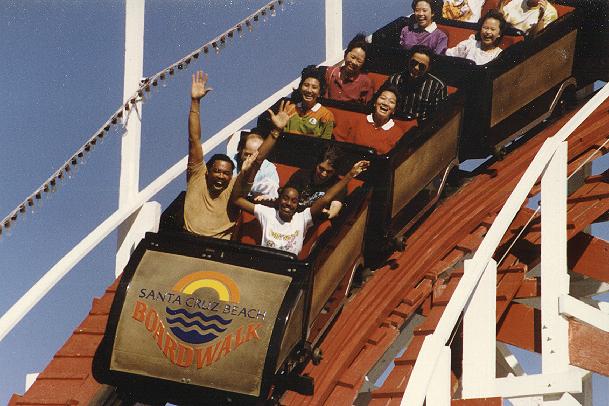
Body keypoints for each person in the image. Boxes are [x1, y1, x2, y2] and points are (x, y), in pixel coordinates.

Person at [183, 70, 291, 239]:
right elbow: (194, 139)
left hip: (217, 248)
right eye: (217, 171)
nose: (221, 176)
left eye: (226, 173)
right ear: (207, 172)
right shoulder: (196, 176)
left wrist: (276, 131)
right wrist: (195, 102)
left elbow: (257, 159)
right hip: (188, 239)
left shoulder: (235, 188)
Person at [232, 153, 370, 255]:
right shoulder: (267, 213)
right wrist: (244, 173)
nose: (288, 204)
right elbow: (237, 199)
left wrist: (350, 175)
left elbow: (327, 199)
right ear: (279, 199)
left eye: (294, 201)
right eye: (285, 199)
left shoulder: (303, 218)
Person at [333, 84, 405, 155]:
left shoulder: (398, 134)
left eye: (391, 102)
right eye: (383, 98)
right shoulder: (355, 119)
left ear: (394, 110)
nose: (386, 103)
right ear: (375, 102)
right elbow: (336, 140)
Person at [385, 45, 447, 120]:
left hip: (420, 128)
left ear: (428, 68)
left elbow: (439, 117)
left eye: (422, 66)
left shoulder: (438, 87)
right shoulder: (395, 79)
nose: (416, 68)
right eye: (413, 63)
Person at [284, 146, 347, 219]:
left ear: (335, 171)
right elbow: (284, 197)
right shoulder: (301, 175)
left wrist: (326, 212)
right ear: (316, 164)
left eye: (329, 171)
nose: (324, 174)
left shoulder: (338, 185)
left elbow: (334, 209)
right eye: (321, 169)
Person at [283, 65, 335, 139]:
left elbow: (325, 145)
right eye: (306, 85)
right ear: (300, 88)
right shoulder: (289, 109)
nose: (309, 90)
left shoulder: (326, 115)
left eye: (314, 87)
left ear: (320, 92)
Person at [325, 34, 375, 104]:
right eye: (352, 57)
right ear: (346, 54)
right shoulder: (330, 73)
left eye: (359, 61)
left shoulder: (366, 83)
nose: (354, 62)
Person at [228, 131, 280, 199]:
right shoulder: (228, 162)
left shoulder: (269, 168)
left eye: (255, 156)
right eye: (247, 155)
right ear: (240, 149)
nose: (251, 160)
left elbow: (273, 192)